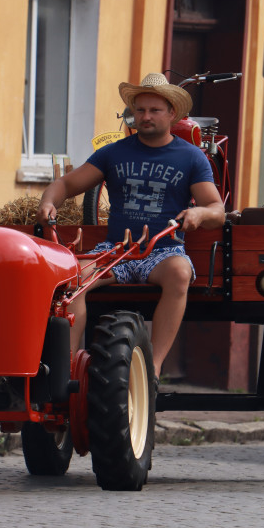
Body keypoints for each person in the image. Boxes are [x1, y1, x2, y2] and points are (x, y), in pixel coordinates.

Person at [37, 72, 226, 375]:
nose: (145, 116)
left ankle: (152, 368)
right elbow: (65, 184)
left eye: (154, 110)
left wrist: (200, 214)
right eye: (140, 110)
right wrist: (48, 202)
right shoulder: (113, 152)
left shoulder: (191, 157)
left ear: (172, 113)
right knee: (73, 278)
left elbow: (218, 209)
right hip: (116, 250)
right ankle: (66, 371)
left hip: (162, 250)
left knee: (180, 272)